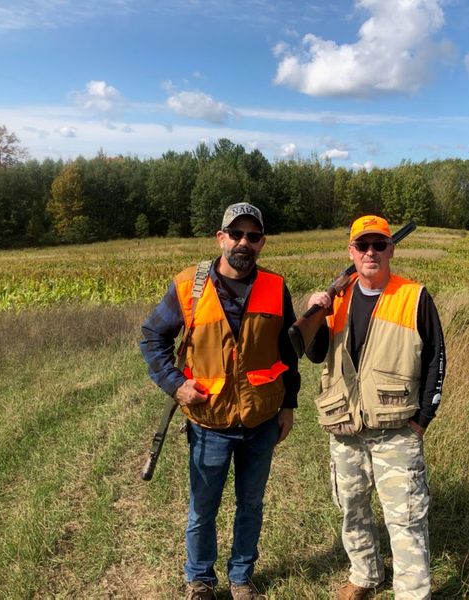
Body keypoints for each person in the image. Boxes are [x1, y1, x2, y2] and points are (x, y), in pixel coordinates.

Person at [140, 202, 300, 600]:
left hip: (261, 419)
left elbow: (288, 352)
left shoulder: (276, 287)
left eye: (253, 236)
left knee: (251, 505)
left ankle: (242, 578)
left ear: (262, 243)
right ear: (221, 237)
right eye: (237, 234)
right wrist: (175, 385)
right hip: (209, 421)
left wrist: (288, 404)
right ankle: (200, 580)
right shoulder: (189, 286)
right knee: (203, 509)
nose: (244, 242)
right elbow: (152, 338)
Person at [305, 215, 446, 600]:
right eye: (363, 246)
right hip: (345, 428)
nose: (371, 252)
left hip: (397, 429)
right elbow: (316, 355)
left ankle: (412, 593)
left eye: (379, 245)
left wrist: (422, 420)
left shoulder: (414, 296)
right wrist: (316, 310)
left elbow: (436, 358)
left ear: (391, 250)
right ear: (351, 252)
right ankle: (364, 576)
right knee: (352, 509)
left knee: (405, 518)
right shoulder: (337, 297)